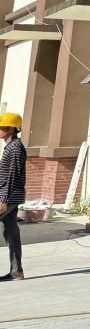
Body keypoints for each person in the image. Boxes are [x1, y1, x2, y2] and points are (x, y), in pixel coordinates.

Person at [0, 112, 26, 281]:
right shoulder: (11, 146)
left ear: (11, 129)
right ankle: (16, 271)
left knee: (12, 232)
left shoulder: (15, 148)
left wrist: (3, 200)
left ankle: (17, 270)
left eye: (2, 127)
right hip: (9, 195)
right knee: (11, 232)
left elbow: (13, 176)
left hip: (9, 196)